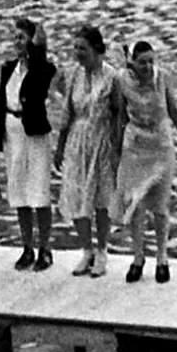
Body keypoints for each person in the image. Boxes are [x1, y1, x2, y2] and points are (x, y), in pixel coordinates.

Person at [116, 39, 177, 284]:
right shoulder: (122, 80)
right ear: (132, 62)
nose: (148, 66)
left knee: (160, 206)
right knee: (136, 205)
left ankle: (162, 257)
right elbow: (120, 115)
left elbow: (174, 110)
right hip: (135, 146)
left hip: (161, 146)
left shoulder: (162, 77)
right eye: (142, 62)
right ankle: (138, 257)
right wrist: (115, 148)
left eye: (151, 61)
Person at [54, 24, 124, 278]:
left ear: (96, 50)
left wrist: (118, 146)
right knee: (76, 194)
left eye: (82, 48)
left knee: (101, 197)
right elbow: (67, 113)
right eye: (75, 48)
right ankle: (86, 249)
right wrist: (60, 147)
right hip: (77, 139)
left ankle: (103, 250)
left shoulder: (112, 76)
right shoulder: (74, 75)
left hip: (102, 139)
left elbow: (118, 113)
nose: (78, 53)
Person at [0, 16, 61, 271]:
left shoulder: (43, 68)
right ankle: (27, 247)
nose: (17, 42)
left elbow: (41, 80)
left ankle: (45, 248)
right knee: (18, 191)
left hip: (34, 133)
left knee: (39, 191)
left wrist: (38, 49)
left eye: (22, 37)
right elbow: (1, 106)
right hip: (13, 132)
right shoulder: (9, 68)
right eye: (15, 37)